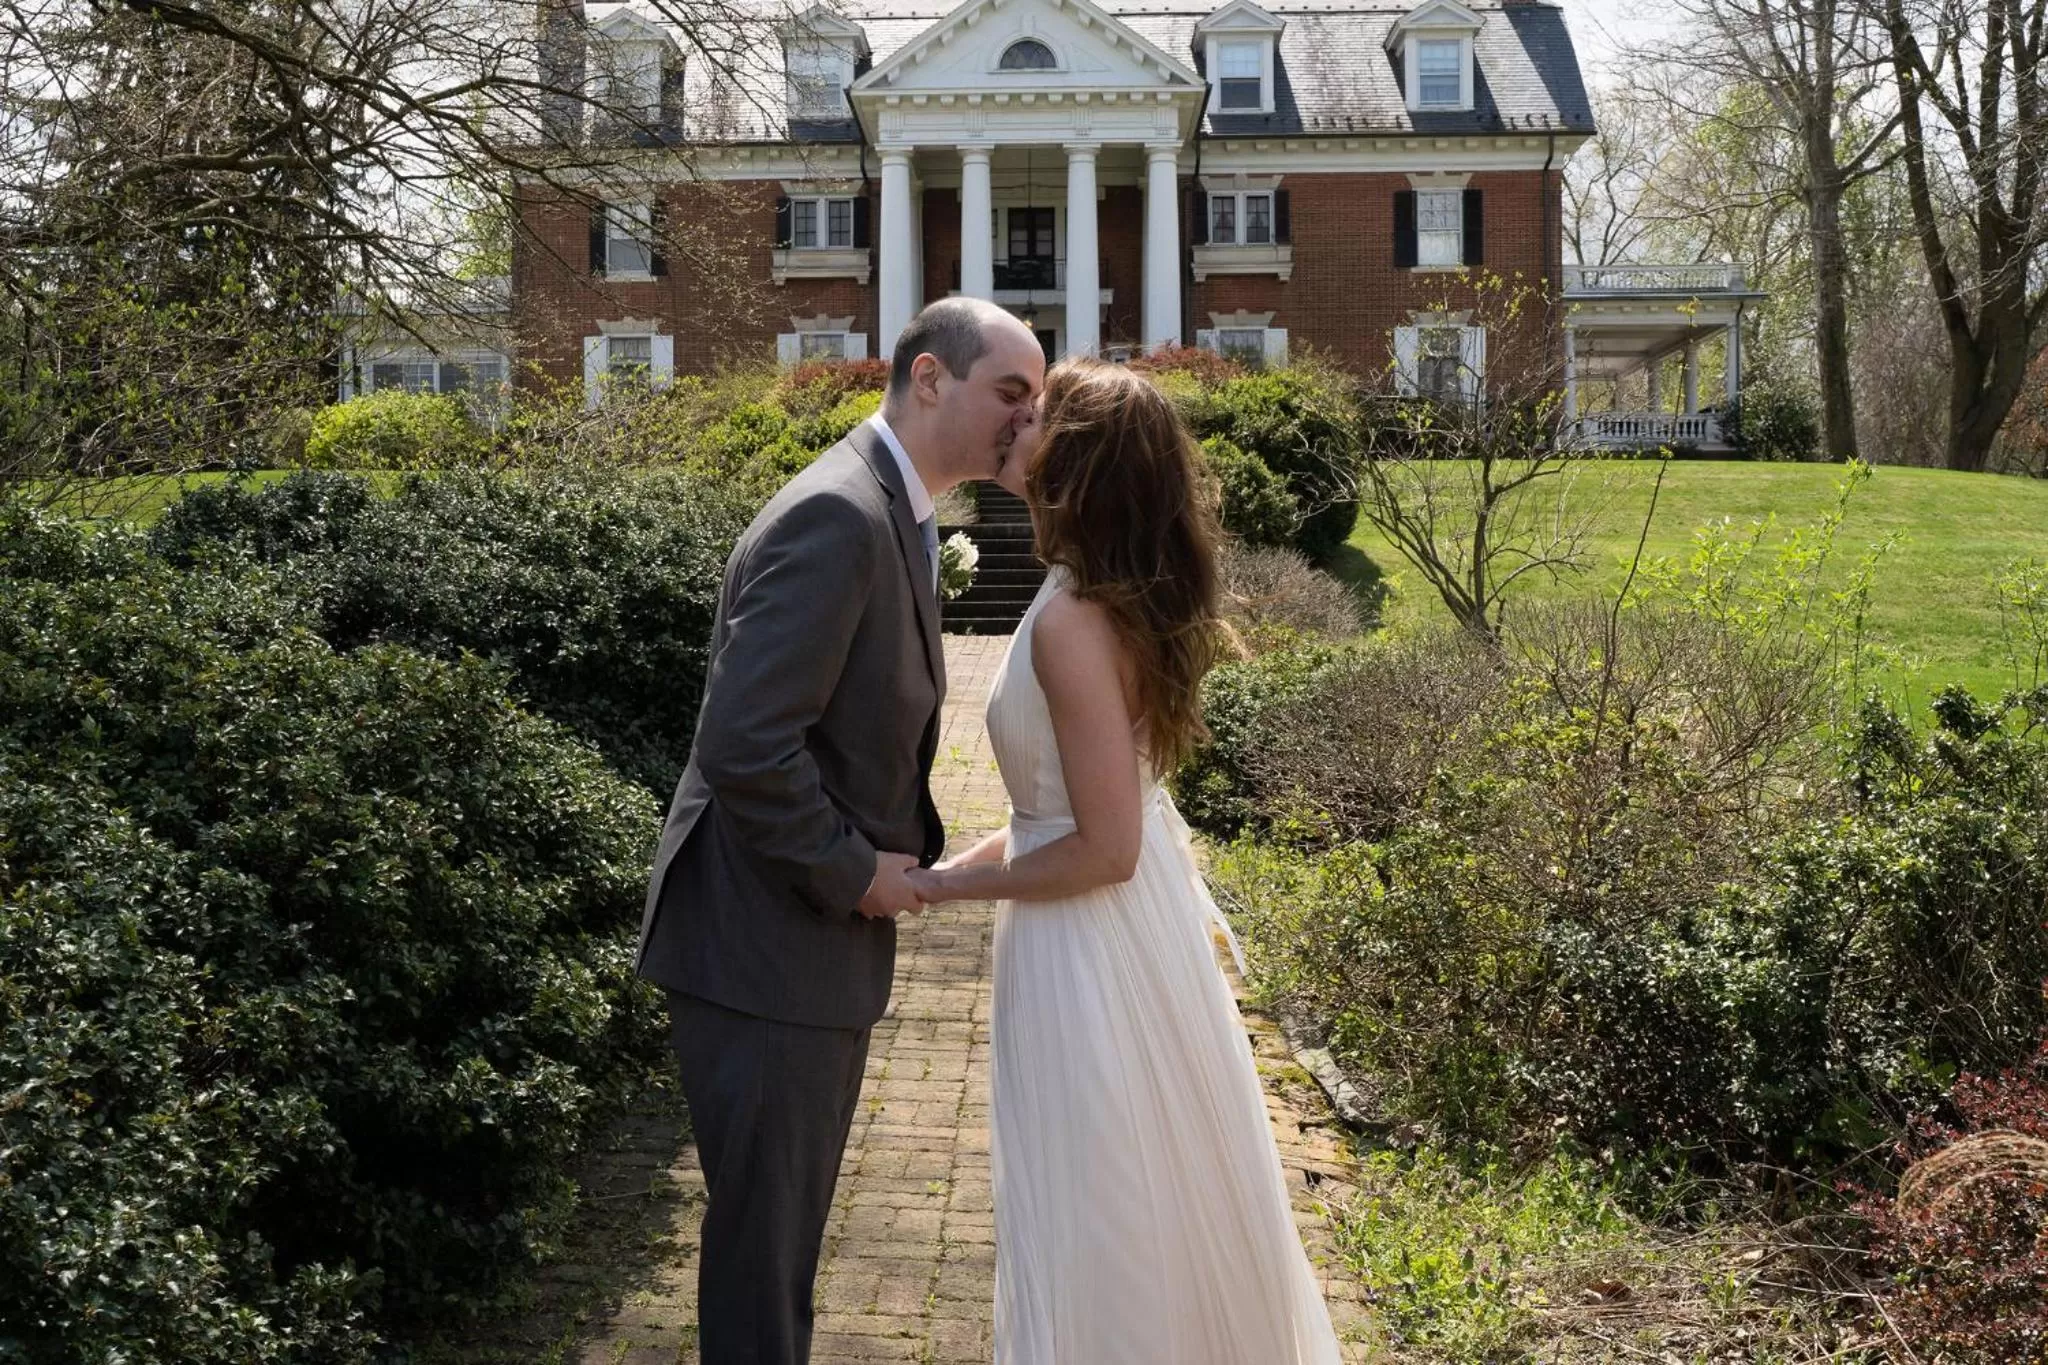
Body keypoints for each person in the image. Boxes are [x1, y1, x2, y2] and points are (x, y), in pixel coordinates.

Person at [908, 358, 1344, 1363]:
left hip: (1089, 952)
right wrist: (931, 883)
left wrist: (948, 886)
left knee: (1104, 1208)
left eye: (1038, 411)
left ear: (1075, 460)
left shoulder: (1070, 620)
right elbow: (1049, 823)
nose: (1016, 418)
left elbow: (1101, 849)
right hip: (1117, 931)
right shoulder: (1088, 597)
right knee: (1139, 1193)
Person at [635, 297, 1044, 1365]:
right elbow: (744, 743)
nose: (1028, 416)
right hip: (761, 943)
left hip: (790, 944)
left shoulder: (895, 512)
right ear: (926, 379)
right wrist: (853, 870)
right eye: (1011, 391)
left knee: (776, 1249)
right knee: (763, 1266)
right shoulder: (840, 516)